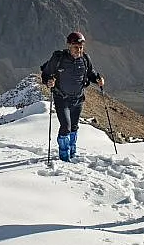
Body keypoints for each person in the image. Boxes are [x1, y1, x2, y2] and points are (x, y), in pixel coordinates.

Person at [40, 31, 104, 161]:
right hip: (62, 99)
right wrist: (49, 82)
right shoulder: (58, 59)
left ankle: (72, 153)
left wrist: (98, 79)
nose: (79, 50)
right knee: (66, 127)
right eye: (76, 47)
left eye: (81, 48)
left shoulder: (85, 59)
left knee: (74, 126)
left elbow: (91, 73)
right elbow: (45, 74)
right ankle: (64, 157)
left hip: (78, 99)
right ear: (69, 45)